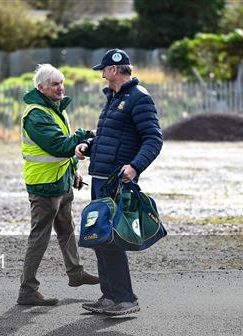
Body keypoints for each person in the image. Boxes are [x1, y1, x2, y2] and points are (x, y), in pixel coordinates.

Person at [76, 49, 163, 316]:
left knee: (111, 237)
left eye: (103, 69)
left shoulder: (139, 98)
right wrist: (89, 145)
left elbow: (153, 139)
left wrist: (135, 167)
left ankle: (125, 299)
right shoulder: (114, 98)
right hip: (101, 178)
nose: (101, 74)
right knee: (99, 237)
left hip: (117, 181)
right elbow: (111, 136)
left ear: (114, 70)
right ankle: (110, 297)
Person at [18, 63, 100, 306]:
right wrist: (86, 134)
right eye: (54, 84)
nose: (60, 88)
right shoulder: (36, 114)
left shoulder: (54, 110)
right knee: (39, 237)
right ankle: (27, 290)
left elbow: (66, 150)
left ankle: (75, 274)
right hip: (44, 184)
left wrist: (73, 171)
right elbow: (58, 145)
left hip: (60, 180)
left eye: (61, 83)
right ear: (41, 87)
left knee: (66, 229)